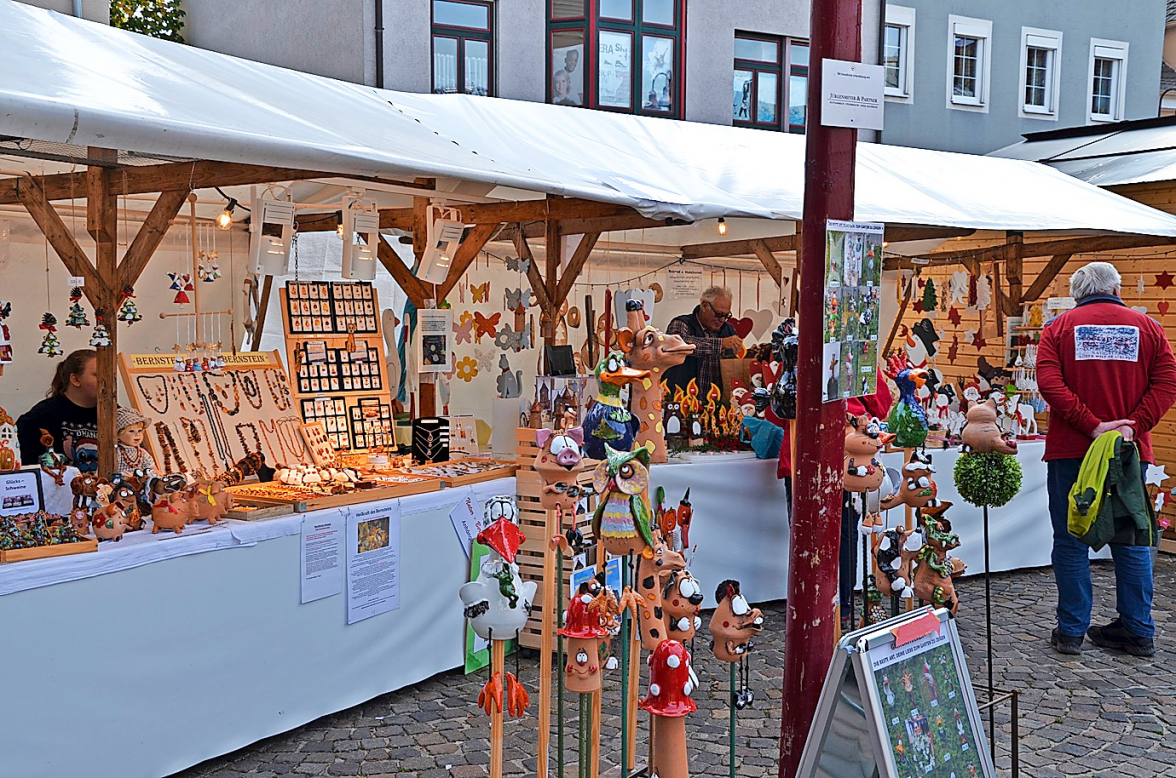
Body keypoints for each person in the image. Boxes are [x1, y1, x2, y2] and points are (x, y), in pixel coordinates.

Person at [1037, 262, 1176, 657]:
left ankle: (1071, 631)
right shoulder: (1147, 328)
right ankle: (1138, 630)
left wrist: (1091, 425)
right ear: (1117, 289)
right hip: (1129, 453)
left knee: (1070, 539)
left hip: (1072, 451)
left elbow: (1049, 383)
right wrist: (1133, 426)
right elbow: (1168, 381)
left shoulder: (1059, 328)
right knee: (1131, 538)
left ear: (1077, 293)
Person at [17, 349, 100, 472]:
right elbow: (26, 466)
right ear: (75, 380)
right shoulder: (42, 415)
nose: (107, 380)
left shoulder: (116, 413)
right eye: (97, 375)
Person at [663, 286, 742, 397]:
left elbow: (735, 362)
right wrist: (720, 344)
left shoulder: (728, 329)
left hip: (716, 403)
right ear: (705, 305)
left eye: (726, 315)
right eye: (719, 314)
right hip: (682, 399)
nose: (722, 320)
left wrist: (753, 353)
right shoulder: (681, 323)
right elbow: (680, 345)